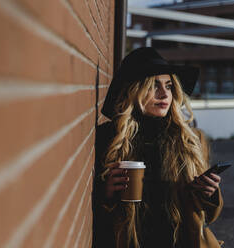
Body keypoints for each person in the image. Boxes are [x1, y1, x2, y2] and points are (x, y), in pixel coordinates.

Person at [92, 47, 224, 248]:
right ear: (134, 90)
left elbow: (208, 218)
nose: (164, 94)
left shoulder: (190, 140)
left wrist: (210, 194)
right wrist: (107, 194)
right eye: (154, 86)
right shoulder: (111, 138)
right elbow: (103, 220)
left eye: (169, 86)